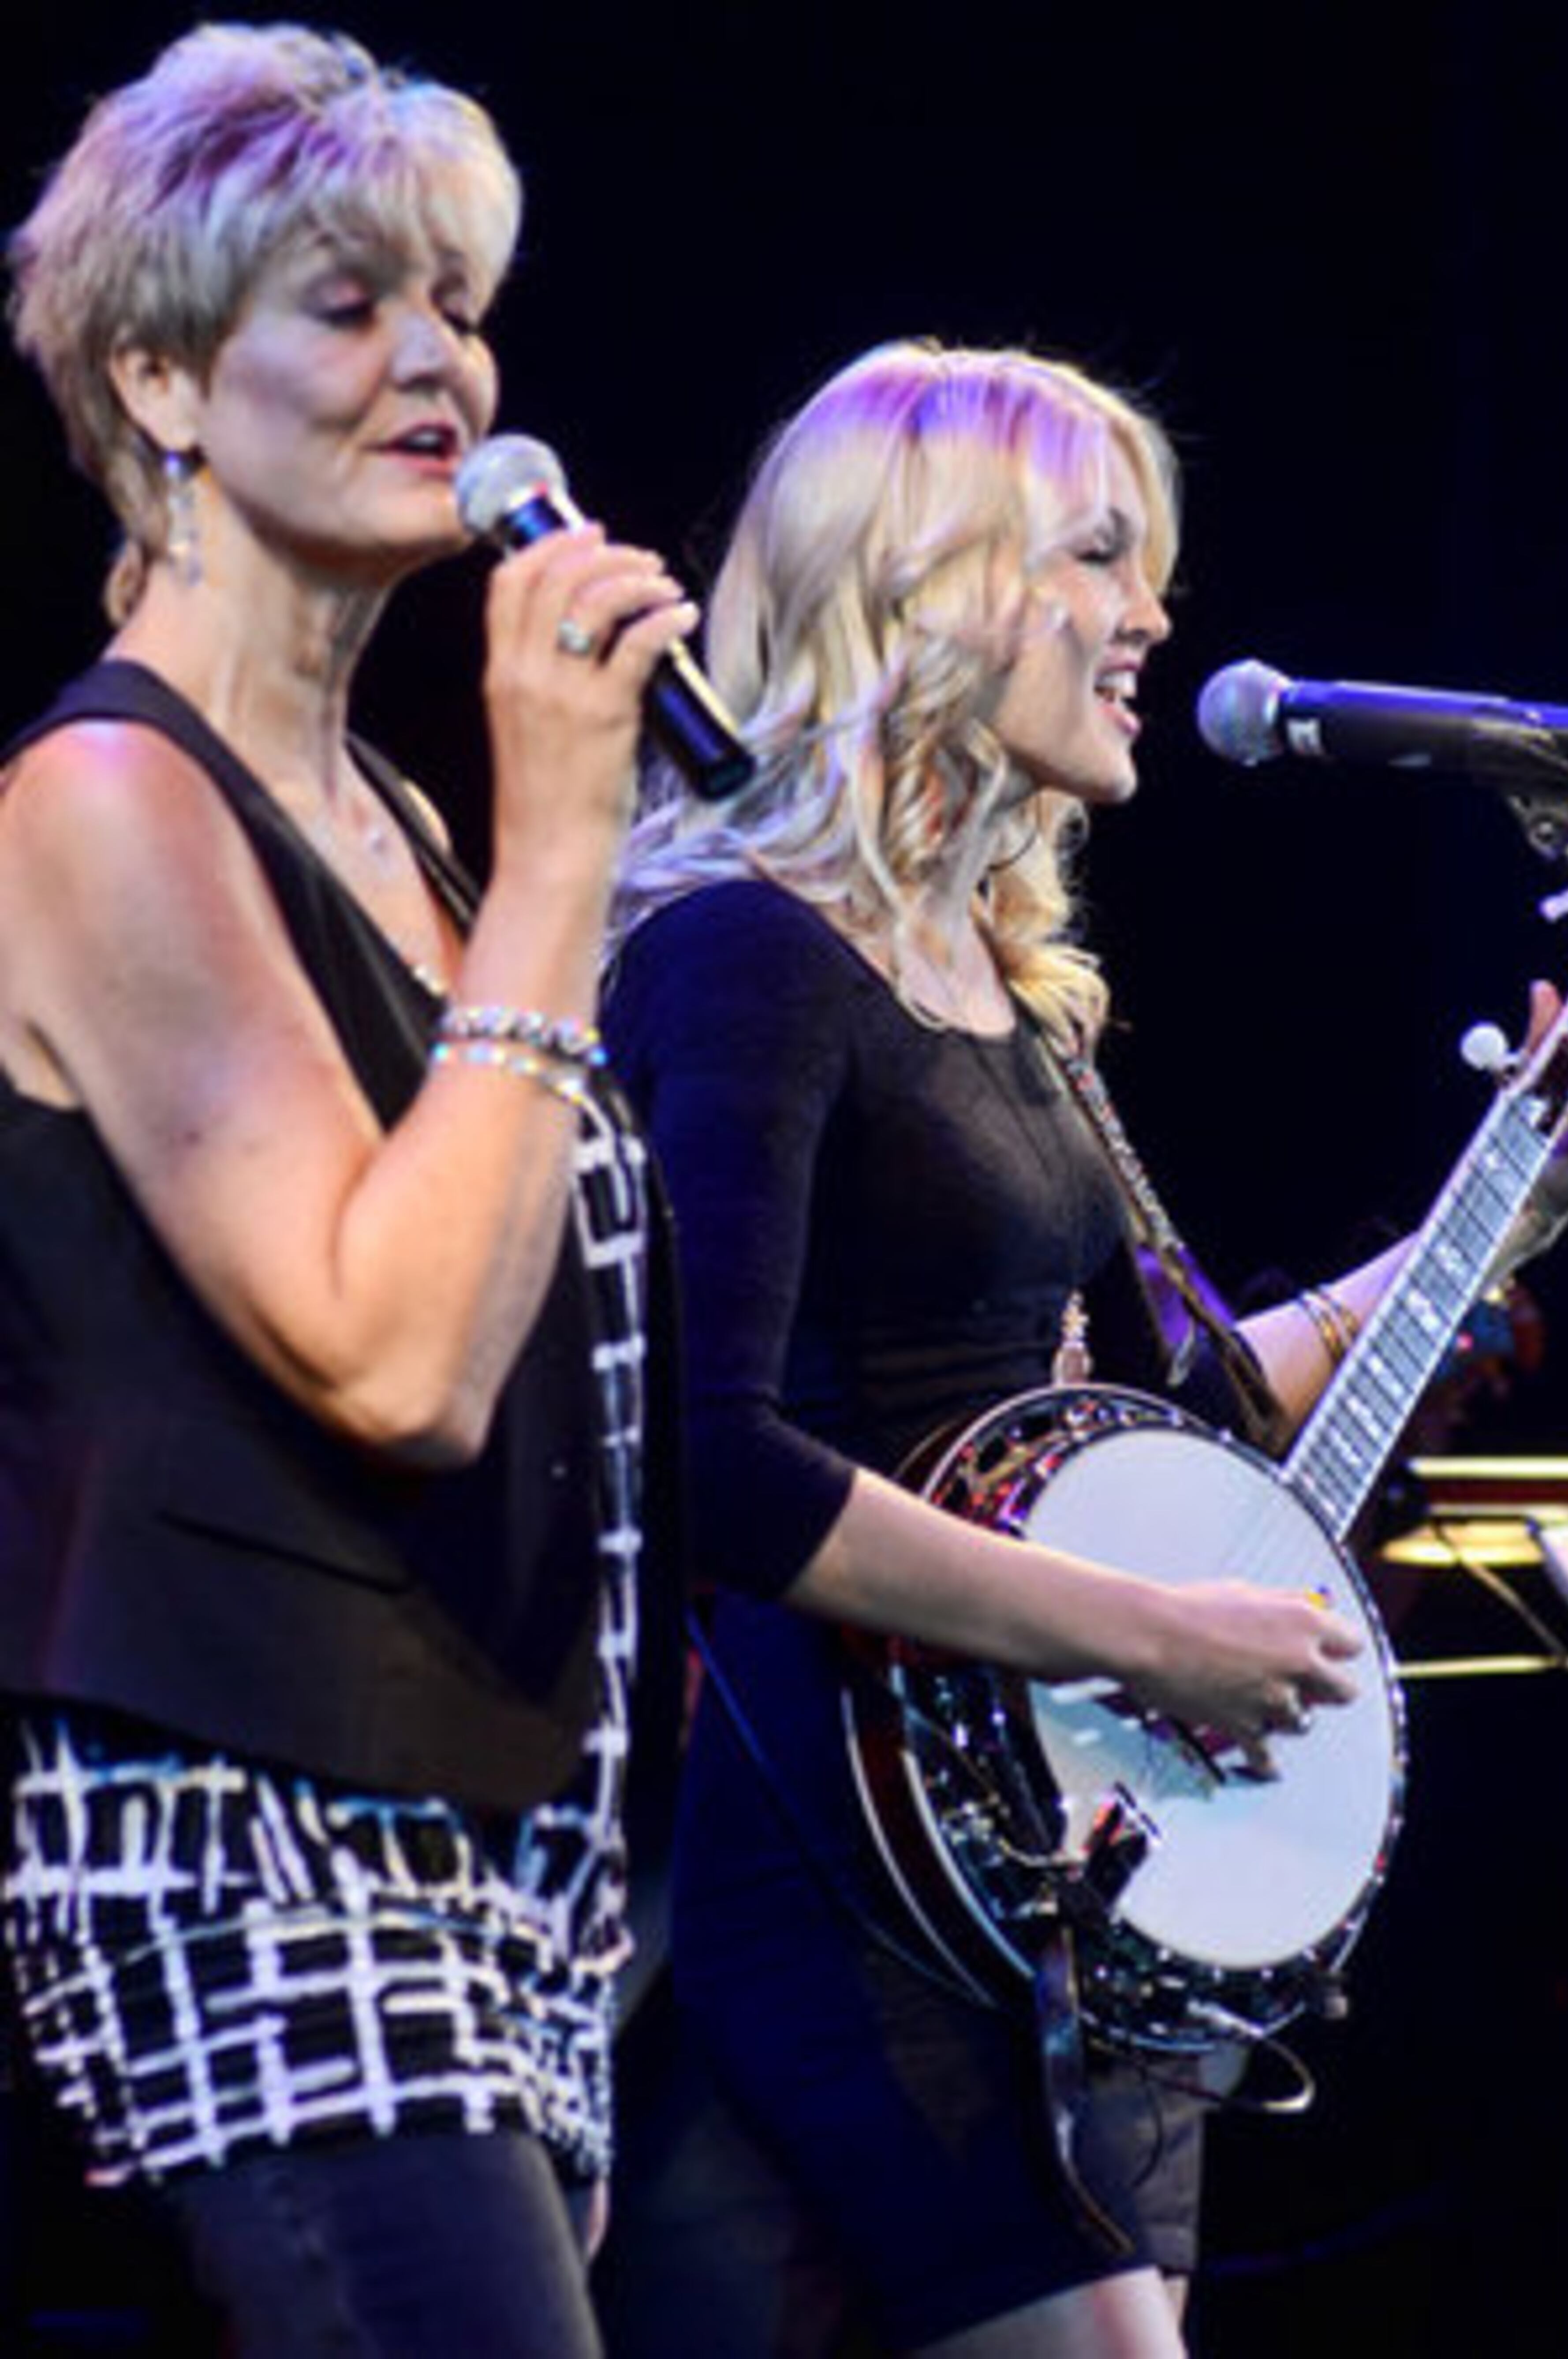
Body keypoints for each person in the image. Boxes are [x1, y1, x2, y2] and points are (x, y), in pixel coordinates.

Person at [595, 340, 1568, 2357]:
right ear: (930, 591)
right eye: (1101, 557)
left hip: (1055, 1867)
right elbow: (714, 1470)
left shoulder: (1021, 999)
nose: (1155, 621)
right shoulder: (742, 951)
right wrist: (1148, 1633)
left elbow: (1192, 1415)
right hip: (850, 1855)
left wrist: (1510, 1199)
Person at [0, 24, 698, 2355]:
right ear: (165, 384)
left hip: (499, 1886)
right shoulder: (103, 802)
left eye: (459, 305)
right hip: (252, 1868)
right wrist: (574, 842)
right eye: (349, 304)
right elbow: (390, 1354)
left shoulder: (403, 829)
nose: (445, 362)